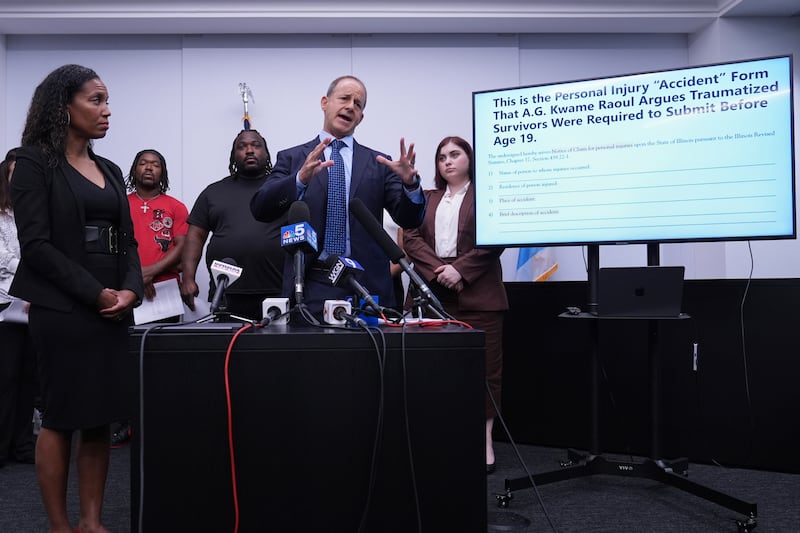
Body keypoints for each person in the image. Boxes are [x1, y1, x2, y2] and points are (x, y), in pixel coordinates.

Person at [10, 64, 143, 533]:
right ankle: (60, 525)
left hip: (113, 305)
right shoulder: (30, 161)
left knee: (99, 417)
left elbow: (127, 240)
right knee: (63, 416)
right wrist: (95, 292)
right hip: (64, 306)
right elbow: (36, 245)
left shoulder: (110, 168)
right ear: (63, 107)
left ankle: (91, 522)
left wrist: (130, 289)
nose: (107, 111)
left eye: (107, 101)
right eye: (96, 100)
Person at [250, 75, 426, 318]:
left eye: (358, 104)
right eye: (344, 98)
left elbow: (409, 218)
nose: (351, 106)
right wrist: (299, 179)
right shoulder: (292, 158)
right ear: (325, 102)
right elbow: (261, 208)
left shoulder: (378, 164)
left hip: (366, 285)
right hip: (312, 283)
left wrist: (410, 184)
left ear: (361, 117)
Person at [401, 136, 508, 473]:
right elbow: (411, 237)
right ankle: (438, 436)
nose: (447, 161)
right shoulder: (427, 198)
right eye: (441, 157)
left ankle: (484, 439)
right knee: (432, 369)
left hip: (479, 294)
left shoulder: (488, 195)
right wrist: (439, 271)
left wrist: (460, 270)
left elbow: (496, 238)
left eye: (455, 154)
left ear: (469, 159)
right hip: (432, 293)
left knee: (486, 371)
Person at [107, 149, 188, 449]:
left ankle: (160, 422)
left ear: (163, 172)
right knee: (123, 361)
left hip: (163, 294)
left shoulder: (176, 207)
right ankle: (125, 423)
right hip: (125, 293)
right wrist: (135, 279)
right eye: (143, 163)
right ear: (134, 169)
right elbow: (113, 245)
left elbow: (182, 247)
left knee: (161, 362)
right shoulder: (119, 204)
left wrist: (150, 273)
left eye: (155, 164)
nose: (149, 168)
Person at [181, 129, 285, 321]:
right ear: (233, 155)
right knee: (228, 349)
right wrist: (188, 278)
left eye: (256, 145)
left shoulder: (281, 189)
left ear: (266, 153)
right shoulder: (213, 192)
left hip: (276, 293)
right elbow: (195, 236)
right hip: (225, 293)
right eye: (242, 146)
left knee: (274, 350)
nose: (249, 150)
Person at [0, 147, 37, 469]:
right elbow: (4, 259)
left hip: (35, 305)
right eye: (14, 174)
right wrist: (36, 267)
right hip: (6, 307)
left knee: (30, 379)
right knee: (6, 379)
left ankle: (23, 445)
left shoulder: (35, 211)